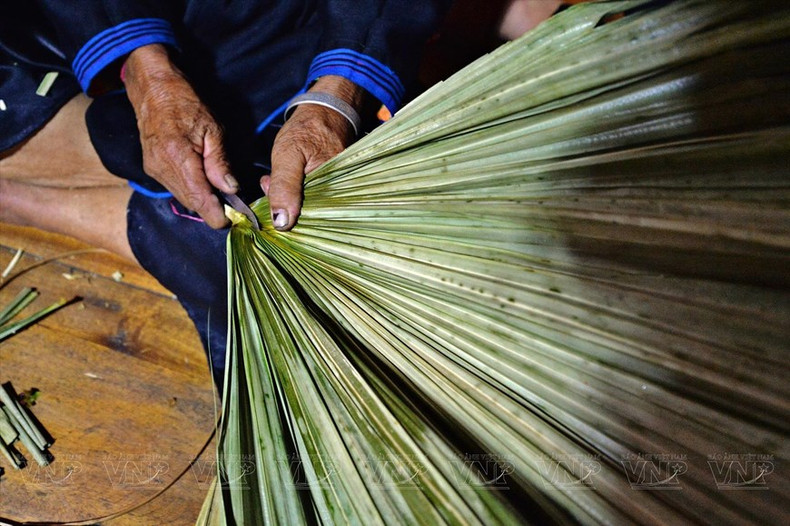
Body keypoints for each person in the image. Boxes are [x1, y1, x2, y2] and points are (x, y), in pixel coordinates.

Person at [0, 1, 451, 384]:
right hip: (77, 23)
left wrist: (336, 97)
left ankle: (35, 203)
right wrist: (145, 70)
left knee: (280, 278)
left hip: (286, 33)